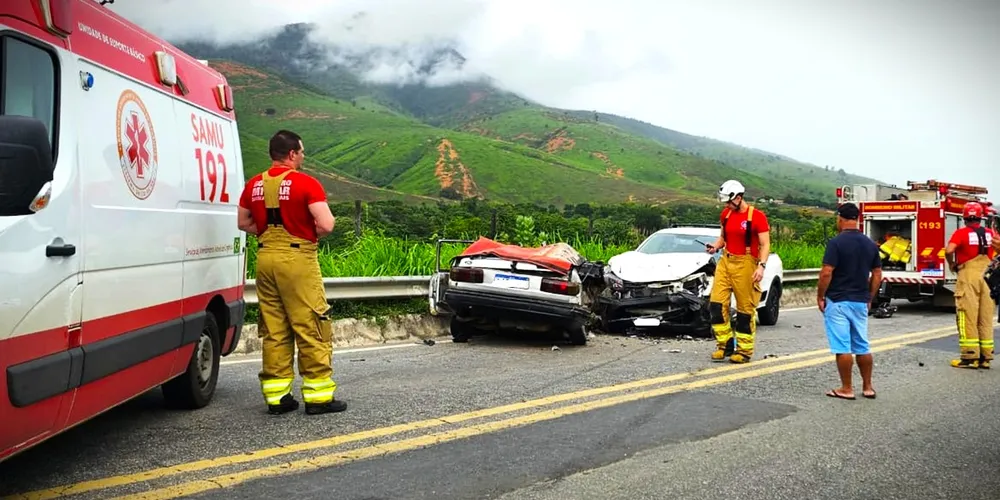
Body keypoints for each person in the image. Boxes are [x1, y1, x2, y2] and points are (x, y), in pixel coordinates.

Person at [237, 130, 346, 415]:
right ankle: (318, 396)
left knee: (274, 328)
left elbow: (243, 222)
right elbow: (327, 224)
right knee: (311, 324)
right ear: (292, 154)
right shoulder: (306, 184)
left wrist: (267, 233)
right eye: (301, 151)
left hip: (265, 258)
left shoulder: (253, 185)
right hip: (297, 259)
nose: (303, 156)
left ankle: (277, 397)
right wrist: (306, 234)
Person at [816, 202, 882, 400]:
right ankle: (868, 387)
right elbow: (877, 274)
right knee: (862, 344)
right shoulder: (870, 243)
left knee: (842, 346)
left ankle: (846, 388)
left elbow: (827, 272)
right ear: (857, 219)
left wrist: (820, 296)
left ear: (840, 218)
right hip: (860, 301)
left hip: (837, 300)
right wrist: (869, 296)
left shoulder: (836, 243)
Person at [705, 180, 771, 364]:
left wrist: (761, 266)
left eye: (728, 201)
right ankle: (724, 345)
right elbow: (723, 238)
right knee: (716, 305)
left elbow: (765, 244)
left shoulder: (757, 217)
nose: (726, 205)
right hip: (726, 261)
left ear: (739, 197)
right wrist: (715, 246)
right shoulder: (726, 214)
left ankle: (744, 351)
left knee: (744, 310)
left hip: (746, 264)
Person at [944, 202, 999, 369]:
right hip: (989, 276)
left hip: (969, 275)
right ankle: (985, 357)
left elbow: (949, 250)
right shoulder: (991, 233)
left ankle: (969, 357)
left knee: (967, 314)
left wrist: (952, 264)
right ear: (981, 217)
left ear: (964, 217)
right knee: (985, 317)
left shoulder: (961, 233)